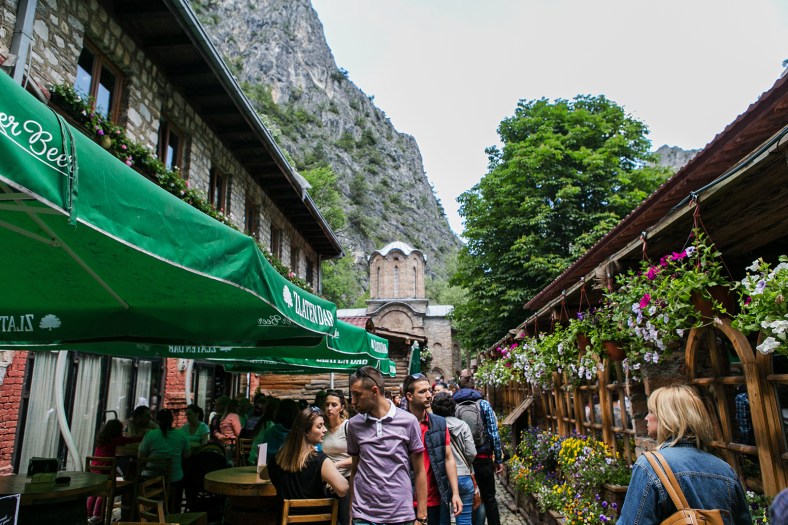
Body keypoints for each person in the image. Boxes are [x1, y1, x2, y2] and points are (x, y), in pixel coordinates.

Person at [617, 385, 752, 525]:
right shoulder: (725, 470)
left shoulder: (649, 466)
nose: (646, 417)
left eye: (651, 412)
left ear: (667, 417)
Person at [346, 366, 427, 525]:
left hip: (400, 515)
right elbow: (355, 470)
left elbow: (419, 471)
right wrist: (351, 513)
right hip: (363, 515)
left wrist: (422, 516)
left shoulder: (408, 422)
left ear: (374, 392)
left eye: (357, 394)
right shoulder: (354, 425)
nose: (353, 401)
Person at [404, 373, 463, 525]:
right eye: (422, 392)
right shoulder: (398, 425)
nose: (429, 395)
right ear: (409, 396)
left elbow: (449, 458)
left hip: (436, 499)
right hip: (405, 501)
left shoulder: (439, 424)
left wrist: (455, 493)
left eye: (429, 390)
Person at [267, 406, 348, 509]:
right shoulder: (320, 461)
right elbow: (343, 489)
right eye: (319, 426)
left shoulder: (276, 460)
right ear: (305, 432)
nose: (325, 430)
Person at [453, 370, 504, 525]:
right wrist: (498, 458)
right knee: (489, 498)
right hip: (483, 458)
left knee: (467, 499)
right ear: (474, 385)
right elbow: (493, 433)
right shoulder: (483, 404)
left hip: (463, 462)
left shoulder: (453, 404)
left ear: (459, 385)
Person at [432, 391, 476, 525]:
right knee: (464, 520)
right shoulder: (463, 425)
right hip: (463, 475)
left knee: (443, 519)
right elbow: (472, 452)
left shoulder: (433, 427)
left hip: (441, 478)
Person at [87, 419, 143, 524]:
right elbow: (129, 440)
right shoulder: (116, 440)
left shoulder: (102, 439)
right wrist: (143, 437)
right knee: (103, 493)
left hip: (94, 470)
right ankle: (97, 515)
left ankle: (88, 514)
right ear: (117, 430)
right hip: (105, 473)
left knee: (93, 494)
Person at [138, 409, 191, 513]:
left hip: (150, 478)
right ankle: (173, 513)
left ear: (157, 421)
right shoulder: (181, 435)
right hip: (173, 479)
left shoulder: (150, 434)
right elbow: (187, 455)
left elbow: (140, 456)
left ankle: (148, 514)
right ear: (172, 420)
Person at [322, 389, 352, 525]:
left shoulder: (348, 427)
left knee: (345, 519)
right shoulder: (322, 428)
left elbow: (359, 456)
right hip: (326, 481)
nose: (329, 408)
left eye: (334, 405)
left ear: (342, 407)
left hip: (347, 479)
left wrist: (336, 466)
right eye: (327, 404)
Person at [251, 398, 299, 465]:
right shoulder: (299, 435)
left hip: (271, 472)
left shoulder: (271, 432)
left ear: (278, 413)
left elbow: (260, 460)